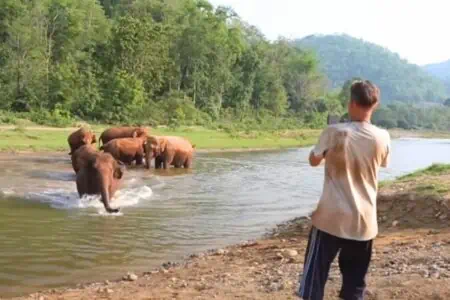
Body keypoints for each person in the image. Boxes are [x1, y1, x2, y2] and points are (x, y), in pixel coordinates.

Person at [297, 80, 391, 300]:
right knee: (355, 285)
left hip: (330, 218)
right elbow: (383, 162)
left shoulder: (333, 131)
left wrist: (327, 152)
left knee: (314, 279)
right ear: (374, 105)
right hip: (364, 222)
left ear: (352, 103)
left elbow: (313, 160)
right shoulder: (383, 136)